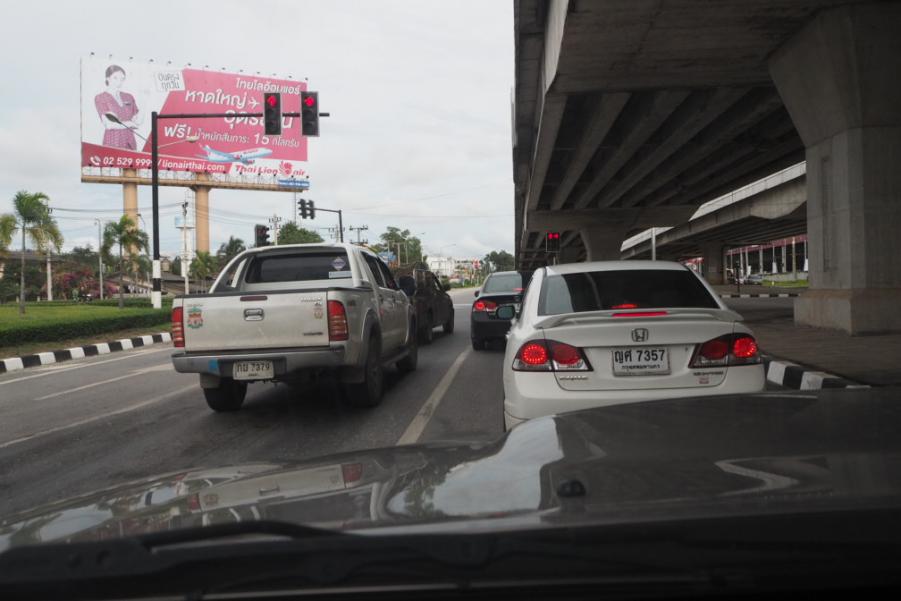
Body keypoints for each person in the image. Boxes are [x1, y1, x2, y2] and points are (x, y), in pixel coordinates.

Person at [94, 65, 141, 150]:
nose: (119, 82)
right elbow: (109, 124)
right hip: (113, 142)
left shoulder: (128, 97)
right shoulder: (101, 97)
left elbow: (137, 121)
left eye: (122, 79)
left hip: (130, 142)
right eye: (115, 78)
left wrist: (145, 100)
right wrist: (130, 123)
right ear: (108, 78)